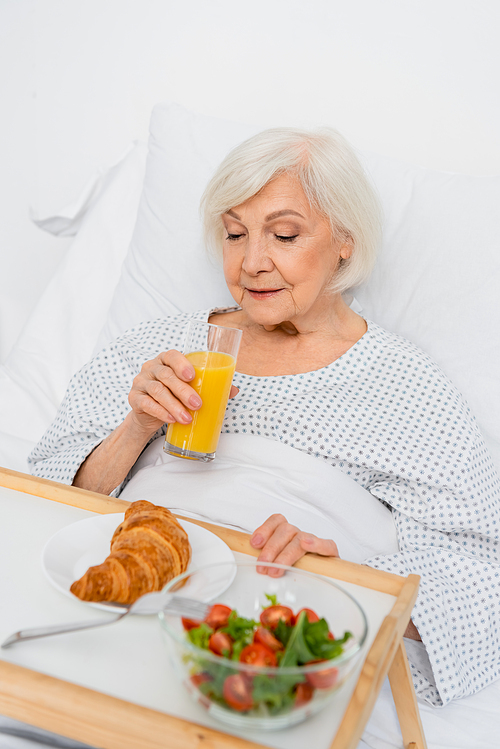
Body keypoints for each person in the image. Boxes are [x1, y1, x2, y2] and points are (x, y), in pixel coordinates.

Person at [29, 127, 500, 708]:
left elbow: (480, 578)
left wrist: (347, 572)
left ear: (345, 240)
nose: (252, 262)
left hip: (265, 643)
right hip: (126, 601)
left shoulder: (405, 385)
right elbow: (45, 503)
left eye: (284, 234)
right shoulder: (162, 348)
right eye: (234, 234)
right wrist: (136, 427)